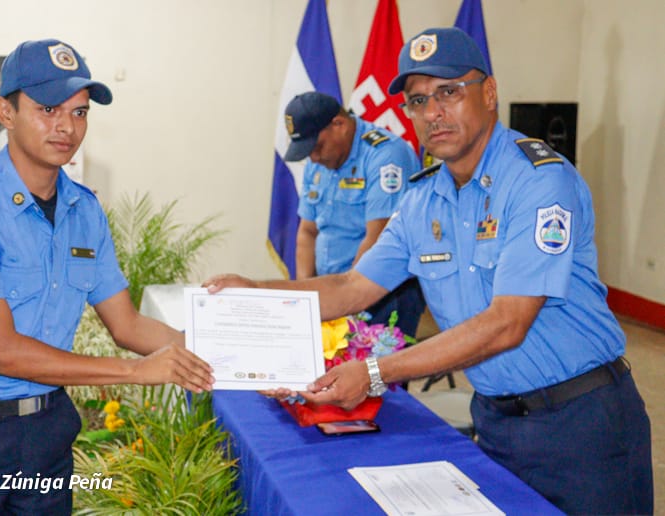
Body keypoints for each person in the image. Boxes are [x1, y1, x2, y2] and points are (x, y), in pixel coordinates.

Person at [205, 27, 652, 514]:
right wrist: (255, 293)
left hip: (582, 425)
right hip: (497, 423)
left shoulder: (539, 181)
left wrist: (374, 372)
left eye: (449, 92)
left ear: (490, 92)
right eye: (418, 101)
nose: (433, 113)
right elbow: (352, 286)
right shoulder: (421, 199)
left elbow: (507, 322)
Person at [0, 39, 214, 515]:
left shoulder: (83, 210)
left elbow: (128, 326)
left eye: (80, 112)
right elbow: (2, 350)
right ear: (6, 112)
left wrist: (226, 357)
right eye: (48, 108)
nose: (66, 126)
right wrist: (134, 372)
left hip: (46, 435)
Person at [283, 91, 425, 337]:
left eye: (317, 147)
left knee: (371, 375)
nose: (314, 158)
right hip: (333, 293)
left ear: (339, 124)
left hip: (381, 294)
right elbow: (307, 233)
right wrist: (306, 298)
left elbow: (376, 240)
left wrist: (342, 300)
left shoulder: (385, 155)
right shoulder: (318, 164)